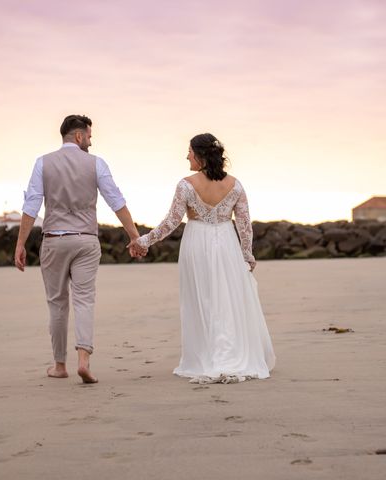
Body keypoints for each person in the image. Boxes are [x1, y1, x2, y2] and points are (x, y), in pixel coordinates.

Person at [136, 133, 276, 383]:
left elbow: (171, 221)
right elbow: (244, 224)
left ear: (199, 155)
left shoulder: (186, 185)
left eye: (189, 151)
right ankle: (228, 353)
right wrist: (247, 254)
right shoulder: (235, 185)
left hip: (197, 243)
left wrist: (145, 240)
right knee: (226, 299)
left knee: (202, 298)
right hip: (227, 244)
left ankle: (206, 357)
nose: (186, 155)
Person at [14, 114, 141, 384]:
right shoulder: (96, 164)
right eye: (90, 137)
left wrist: (20, 244)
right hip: (85, 240)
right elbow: (115, 200)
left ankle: (60, 365)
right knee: (84, 299)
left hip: (54, 241)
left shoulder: (43, 163)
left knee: (57, 304)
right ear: (79, 136)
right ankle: (84, 360)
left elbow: (31, 205)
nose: (91, 143)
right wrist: (134, 236)